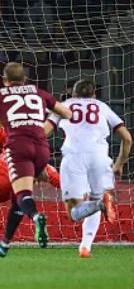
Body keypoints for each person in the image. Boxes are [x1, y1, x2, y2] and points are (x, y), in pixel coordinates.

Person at [0, 62, 72, 257]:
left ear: (4, 80)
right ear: (25, 80)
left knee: (23, 196)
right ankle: (4, 245)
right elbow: (67, 114)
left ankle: (37, 216)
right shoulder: (39, 93)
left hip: (18, 149)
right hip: (42, 149)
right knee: (17, 197)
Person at [45, 80, 132, 258]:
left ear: (73, 94)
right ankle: (85, 247)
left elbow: (45, 131)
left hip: (73, 158)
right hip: (100, 157)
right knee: (95, 198)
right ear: (94, 95)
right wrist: (119, 164)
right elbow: (128, 139)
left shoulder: (64, 105)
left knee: (74, 213)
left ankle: (99, 205)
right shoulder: (102, 106)